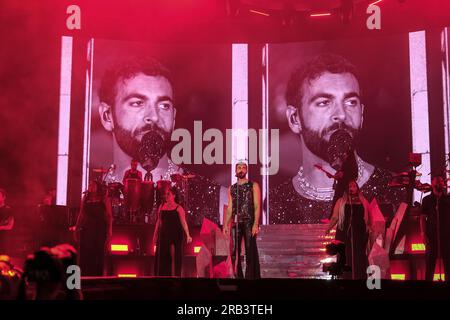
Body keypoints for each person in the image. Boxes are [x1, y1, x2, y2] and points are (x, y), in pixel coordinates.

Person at [270, 53, 406, 224]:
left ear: (362, 114)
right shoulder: (273, 205)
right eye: (324, 103)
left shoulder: (394, 190)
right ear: (294, 119)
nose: (341, 115)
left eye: (350, 102)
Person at [98, 56, 225, 226]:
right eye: (137, 103)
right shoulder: (90, 196)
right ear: (107, 116)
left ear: (173, 118)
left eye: (164, 106)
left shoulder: (218, 201)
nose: (154, 117)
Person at [326, 180, 371, 279]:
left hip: (359, 232)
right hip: (344, 232)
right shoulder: (341, 201)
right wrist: (329, 228)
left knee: (359, 255)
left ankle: (360, 277)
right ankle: (345, 278)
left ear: (357, 188)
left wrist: (369, 228)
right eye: (350, 186)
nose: (352, 188)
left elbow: (368, 217)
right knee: (344, 255)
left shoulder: (363, 201)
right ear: (347, 189)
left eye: (354, 186)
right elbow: (335, 217)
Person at [223, 162, 261, 279]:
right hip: (236, 222)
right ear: (235, 170)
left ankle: (250, 277)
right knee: (234, 251)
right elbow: (230, 207)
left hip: (249, 221)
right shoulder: (232, 188)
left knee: (250, 251)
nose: (241, 170)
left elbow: (257, 205)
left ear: (246, 171)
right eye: (239, 168)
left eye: (244, 168)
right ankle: (238, 276)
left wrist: (255, 223)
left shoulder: (253, 185)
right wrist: (225, 224)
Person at [71, 181, 112, 276]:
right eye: (89, 185)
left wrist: (110, 231)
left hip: (99, 228)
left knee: (98, 252)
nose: (91, 187)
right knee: (86, 252)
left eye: (93, 185)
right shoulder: (85, 198)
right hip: (87, 228)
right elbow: (81, 214)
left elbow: (109, 216)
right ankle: (85, 275)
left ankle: (97, 276)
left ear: (98, 187)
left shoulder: (104, 199)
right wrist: (76, 228)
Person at [153, 186, 192, 276]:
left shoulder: (178, 208)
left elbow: (183, 222)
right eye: (166, 194)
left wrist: (188, 234)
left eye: (168, 194)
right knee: (163, 257)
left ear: (174, 195)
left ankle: (175, 277)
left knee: (175, 257)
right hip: (164, 235)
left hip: (175, 235)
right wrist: (155, 235)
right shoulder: (161, 206)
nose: (166, 196)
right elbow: (158, 222)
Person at [420, 176, 450, 282]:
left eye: (442, 182)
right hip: (432, 236)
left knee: (448, 263)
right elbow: (423, 218)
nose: (440, 184)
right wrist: (423, 233)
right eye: (437, 182)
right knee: (430, 263)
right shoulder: (427, 200)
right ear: (432, 184)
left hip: (447, 236)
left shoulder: (448, 199)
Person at [0, 188, 14, 255]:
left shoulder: (8, 210)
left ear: (4, 197)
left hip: (3, 239)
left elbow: (10, 226)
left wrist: (1, 227)